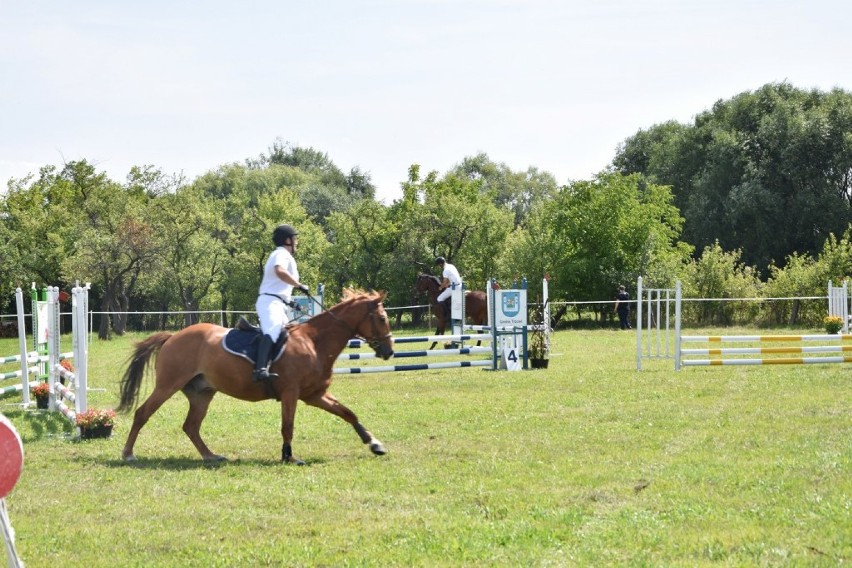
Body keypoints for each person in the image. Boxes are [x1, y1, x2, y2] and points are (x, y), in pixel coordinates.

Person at [253, 224, 310, 382]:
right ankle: (260, 369)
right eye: (294, 238)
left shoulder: (285, 255)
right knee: (273, 330)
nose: (296, 242)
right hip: (270, 302)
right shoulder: (281, 254)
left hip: (277, 301)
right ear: (287, 240)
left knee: (288, 335)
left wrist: (291, 303)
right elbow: (280, 271)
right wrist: (299, 285)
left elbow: (279, 287)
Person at [434, 256, 462, 321]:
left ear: (440, 264)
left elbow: (444, 282)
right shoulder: (451, 266)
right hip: (459, 285)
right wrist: (447, 284)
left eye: (438, 265)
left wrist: (440, 287)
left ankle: (448, 314)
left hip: (455, 288)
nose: (439, 266)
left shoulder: (445, 271)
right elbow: (453, 278)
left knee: (439, 298)